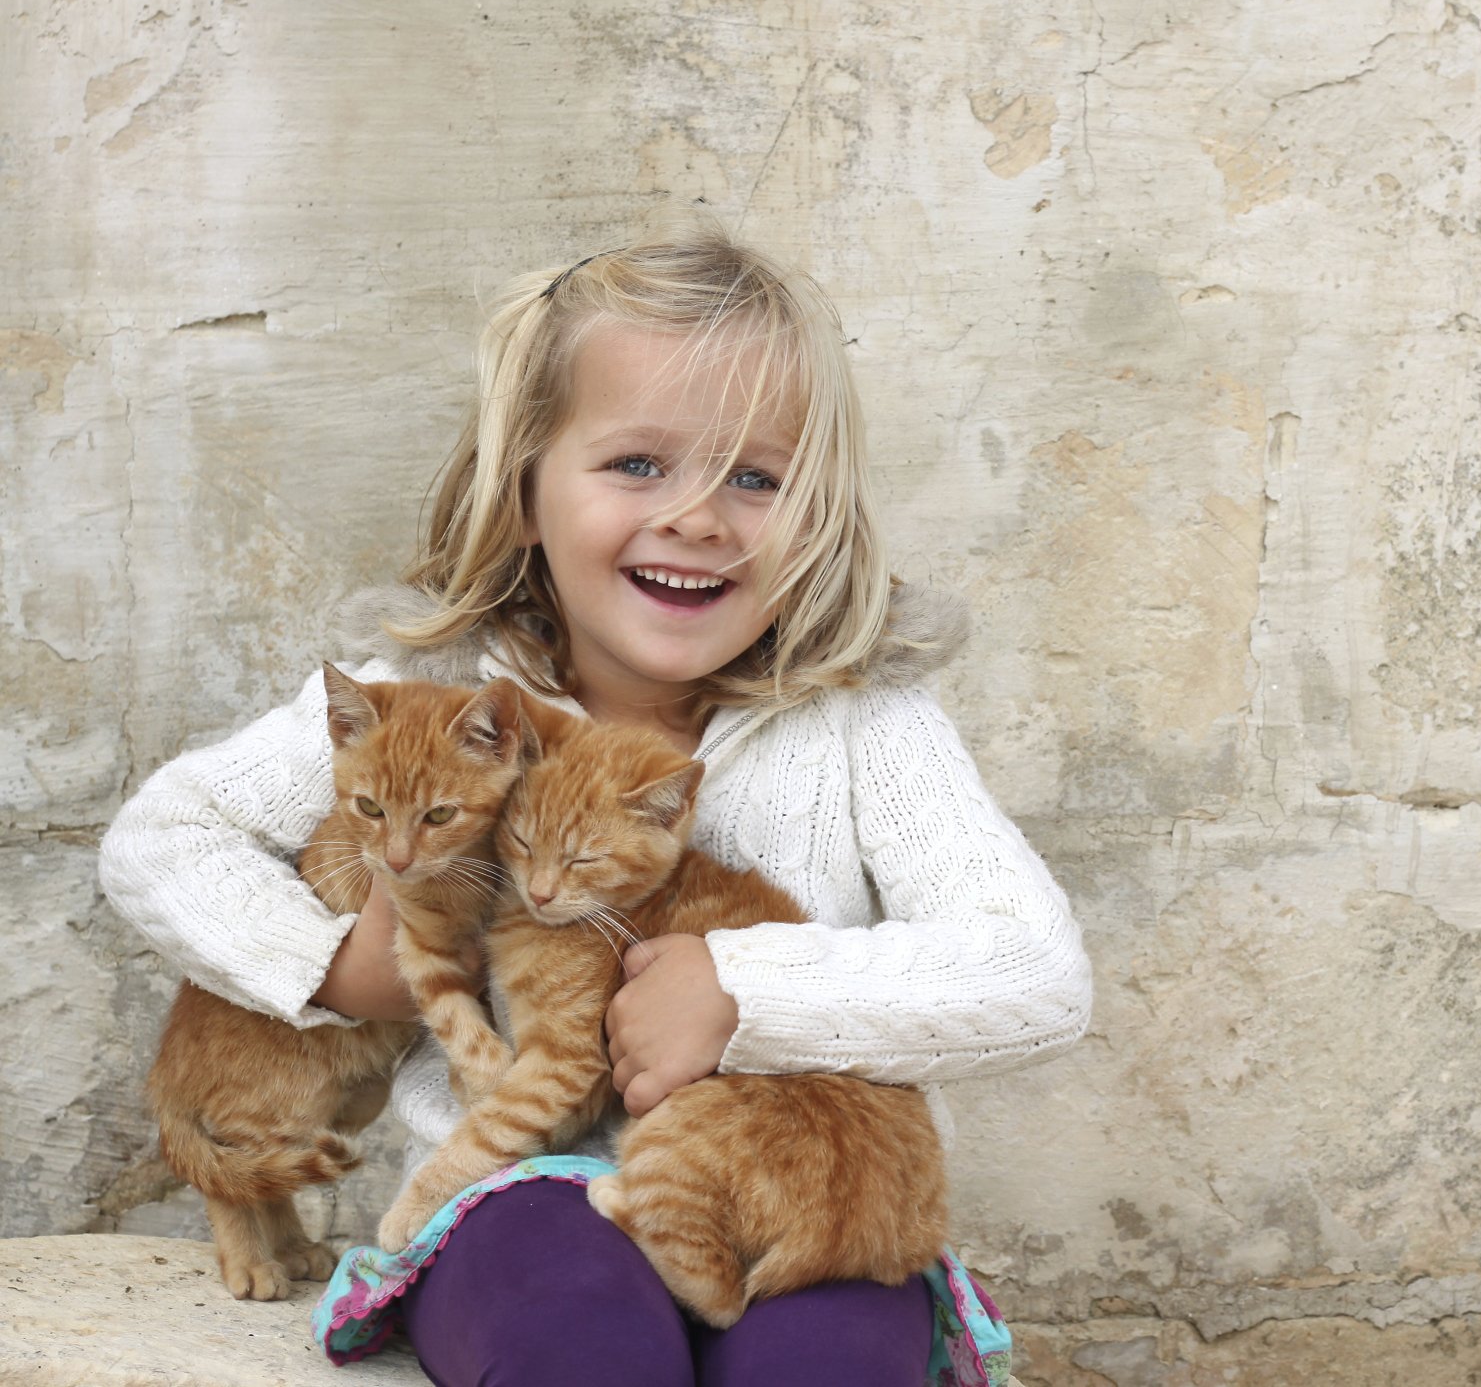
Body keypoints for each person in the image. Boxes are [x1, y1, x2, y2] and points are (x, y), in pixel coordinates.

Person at [98, 221, 1093, 1387]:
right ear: (522, 490)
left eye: (758, 477)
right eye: (637, 464)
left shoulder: (864, 723)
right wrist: (332, 968)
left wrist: (742, 989)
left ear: (819, 514)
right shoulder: (437, 699)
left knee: (826, 1364)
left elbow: (1034, 968)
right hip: (517, 1189)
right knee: (574, 1340)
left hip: (787, 1187)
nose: (700, 517)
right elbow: (162, 838)